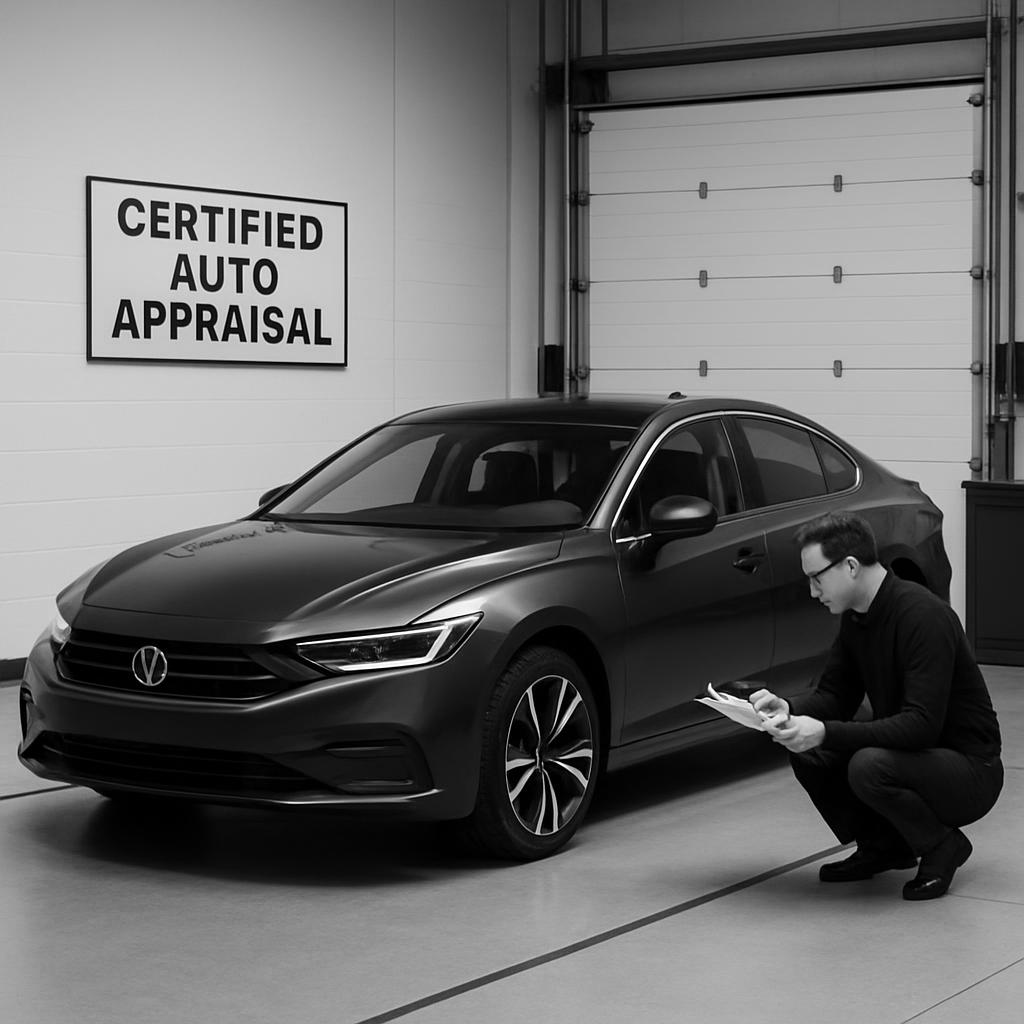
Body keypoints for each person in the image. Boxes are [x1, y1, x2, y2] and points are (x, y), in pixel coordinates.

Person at [751, 511, 1002, 901]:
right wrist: (787, 708)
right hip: (918, 754)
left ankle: (942, 845)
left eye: (817, 578)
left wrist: (825, 731)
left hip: (969, 769)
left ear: (850, 566)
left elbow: (921, 726)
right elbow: (835, 696)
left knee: (868, 764)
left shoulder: (923, 616)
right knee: (811, 753)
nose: (813, 591)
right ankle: (884, 846)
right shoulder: (857, 617)